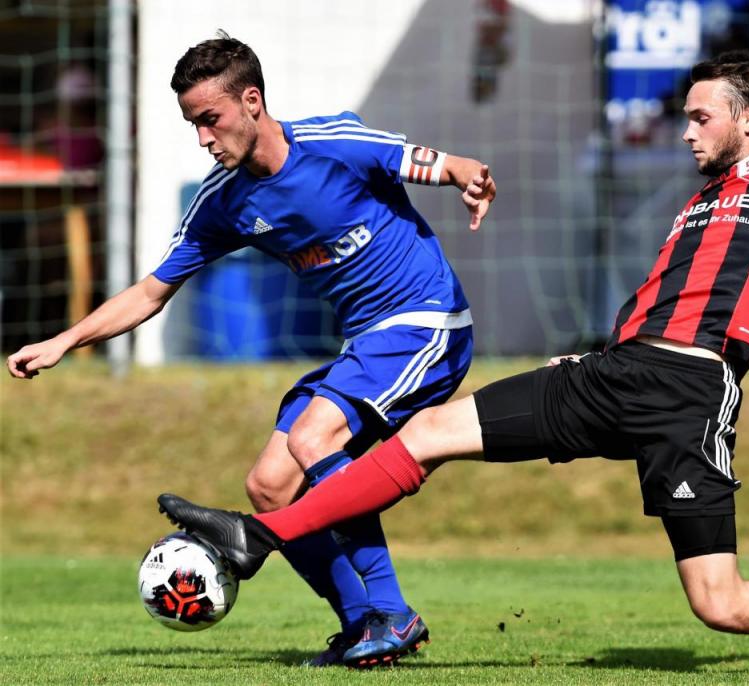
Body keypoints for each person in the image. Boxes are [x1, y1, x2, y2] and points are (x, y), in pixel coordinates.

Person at [155, 0, 749, 672]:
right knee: (427, 433)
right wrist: (604, 351)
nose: (685, 132)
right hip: (611, 372)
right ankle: (258, 537)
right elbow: (662, 302)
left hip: (688, 394)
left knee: (724, 605)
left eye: (699, 117)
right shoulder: (700, 199)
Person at [6, 32, 496, 668]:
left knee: (314, 438)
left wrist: (469, 177)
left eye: (210, 119)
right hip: (366, 345)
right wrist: (65, 340)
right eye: (193, 124)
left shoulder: (335, 142)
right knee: (269, 485)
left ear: (252, 101)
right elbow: (151, 292)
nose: (203, 138)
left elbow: (441, 164)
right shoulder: (224, 201)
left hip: (428, 323)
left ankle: (391, 610)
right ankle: (362, 627)